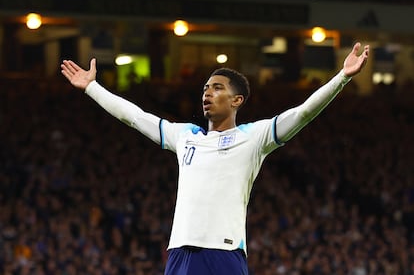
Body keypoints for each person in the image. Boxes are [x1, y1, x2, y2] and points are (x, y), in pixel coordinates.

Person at [61, 42, 369, 275]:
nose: (207, 93)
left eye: (217, 88)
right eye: (206, 87)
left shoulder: (255, 137)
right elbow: (135, 117)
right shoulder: (185, 137)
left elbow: (303, 113)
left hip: (224, 254)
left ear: (237, 100)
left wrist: (342, 77)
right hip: (180, 254)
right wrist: (92, 88)